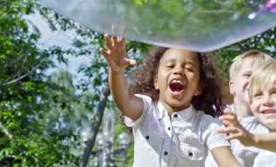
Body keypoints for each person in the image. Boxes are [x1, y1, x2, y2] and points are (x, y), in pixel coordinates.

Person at [100, 34, 239, 167]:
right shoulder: (146, 110)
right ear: (156, 82)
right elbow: (123, 99)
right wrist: (116, 71)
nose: (178, 71)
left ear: (198, 87)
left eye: (189, 68)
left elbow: (227, 161)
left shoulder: (207, 126)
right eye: (170, 66)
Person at [207, 50, 272, 166]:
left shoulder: (269, 129)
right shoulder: (213, 114)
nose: (254, 80)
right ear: (232, 87)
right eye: (248, 75)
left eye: (262, 76)